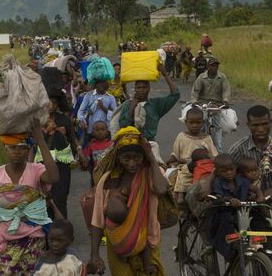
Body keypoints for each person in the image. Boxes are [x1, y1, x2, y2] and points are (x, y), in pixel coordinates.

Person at [0, 119, 59, 276]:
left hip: (34, 242)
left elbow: (54, 177)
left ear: (28, 149)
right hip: (4, 246)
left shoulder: (36, 170)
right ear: (5, 149)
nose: (17, 151)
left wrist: (40, 141)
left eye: (22, 148)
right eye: (12, 148)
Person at [89, 126, 169, 276]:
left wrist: (152, 160)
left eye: (137, 158)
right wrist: (94, 254)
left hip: (148, 242)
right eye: (126, 158)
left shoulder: (151, 174)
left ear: (143, 156)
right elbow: (98, 219)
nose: (132, 163)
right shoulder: (108, 181)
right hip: (117, 245)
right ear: (117, 158)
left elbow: (162, 189)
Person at [228, 105, 272, 267]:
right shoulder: (238, 149)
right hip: (249, 213)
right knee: (258, 259)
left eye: (265, 124)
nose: (261, 129)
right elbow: (225, 175)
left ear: (271, 122)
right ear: (248, 125)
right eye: (255, 125)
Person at [35, 97, 83, 219]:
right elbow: (33, 142)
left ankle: (63, 230)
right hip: (42, 163)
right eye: (48, 102)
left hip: (62, 163)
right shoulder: (37, 120)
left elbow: (73, 137)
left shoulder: (64, 119)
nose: (51, 105)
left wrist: (80, 150)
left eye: (54, 102)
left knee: (60, 197)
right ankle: (48, 230)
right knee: (45, 196)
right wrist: (47, 131)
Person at [167, 107, 218, 204]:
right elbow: (175, 154)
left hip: (203, 166)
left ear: (203, 122)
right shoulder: (181, 137)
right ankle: (180, 194)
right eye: (191, 122)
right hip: (185, 166)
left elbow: (214, 156)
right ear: (186, 122)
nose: (195, 125)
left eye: (198, 122)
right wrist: (167, 161)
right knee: (182, 174)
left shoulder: (207, 138)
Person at [117, 63, 180, 142]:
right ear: (135, 89)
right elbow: (123, 125)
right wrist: (132, 108)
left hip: (150, 143)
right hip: (131, 142)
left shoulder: (156, 104)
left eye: (144, 87)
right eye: (139, 87)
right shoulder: (128, 104)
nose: (141, 90)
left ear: (149, 88)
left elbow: (175, 95)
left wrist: (165, 75)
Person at [207, 154, 250, 261]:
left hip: (240, 212)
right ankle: (230, 251)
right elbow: (218, 197)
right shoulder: (217, 182)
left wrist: (257, 195)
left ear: (236, 168)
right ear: (217, 172)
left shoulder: (242, 180)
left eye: (231, 169)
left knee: (249, 225)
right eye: (224, 171)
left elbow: (251, 189)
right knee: (226, 223)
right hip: (223, 213)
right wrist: (229, 200)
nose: (229, 173)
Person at [191, 57, 230, 152]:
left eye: (216, 65)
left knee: (217, 125)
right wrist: (194, 101)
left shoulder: (222, 77)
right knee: (203, 120)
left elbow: (226, 90)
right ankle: (200, 144)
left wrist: (225, 101)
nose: (215, 67)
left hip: (216, 104)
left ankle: (219, 148)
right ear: (208, 66)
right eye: (212, 65)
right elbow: (195, 90)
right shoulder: (201, 77)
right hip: (203, 103)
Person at [82, 121, 113, 187]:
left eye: (103, 129)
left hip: (110, 175)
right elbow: (85, 162)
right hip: (96, 176)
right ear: (93, 133)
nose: (100, 132)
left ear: (107, 131)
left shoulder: (111, 144)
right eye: (97, 130)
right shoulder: (90, 146)